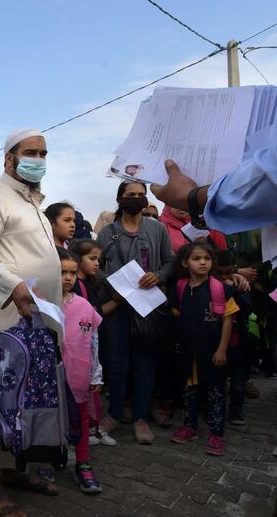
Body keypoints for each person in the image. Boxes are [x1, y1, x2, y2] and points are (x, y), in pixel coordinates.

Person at [0, 128, 61, 516]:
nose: (38, 158)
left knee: (21, 399)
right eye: (30, 152)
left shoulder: (33, 203)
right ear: (9, 159)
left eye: (43, 152)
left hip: (32, 320)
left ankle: (11, 469)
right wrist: (15, 286)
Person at [97, 181, 175, 445]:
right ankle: (114, 414)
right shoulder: (107, 233)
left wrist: (159, 275)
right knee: (117, 364)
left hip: (148, 308)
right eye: (131, 195)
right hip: (118, 307)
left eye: (141, 195)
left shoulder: (157, 228)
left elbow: (171, 260)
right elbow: (97, 267)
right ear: (120, 199)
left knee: (144, 364)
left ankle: (141, 417)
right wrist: (111, 287)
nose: (137, 199)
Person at [167, 242, 239, 456]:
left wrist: (222, 350)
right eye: (197, 259)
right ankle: (190, 426)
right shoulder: (180, 287)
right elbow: (176, 314)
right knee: (189, 390)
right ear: (185, 262)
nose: (202, 263)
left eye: (207, 259)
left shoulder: (221, 288)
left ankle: (217, 435)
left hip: (213, 351)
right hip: (189, 351)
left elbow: (228, 319)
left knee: (215, 392)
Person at [58, 248, 103, 494]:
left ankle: (83, 464)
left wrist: (96, 373)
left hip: (79, 375)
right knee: (51, 419)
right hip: (51, 378)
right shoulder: (41, 305)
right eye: (62, 272)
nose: (68, 277)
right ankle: (48, 461)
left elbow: (94, 342)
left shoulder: (85, 306)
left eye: (72, 273)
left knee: (82, 421)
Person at [69, 239, 118, 447]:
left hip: (93, 343)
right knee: (83, 391)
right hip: (80, 345)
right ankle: (82, 434)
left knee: (94, 389)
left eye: (99, 259)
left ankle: (94, 428)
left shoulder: (92, 282)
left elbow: (94, 314)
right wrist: (116, 302)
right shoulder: (76, 286)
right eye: (92, 258)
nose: (97, 263)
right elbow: (89, 315)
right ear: (78, 260)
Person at [215, 250, 254, 427]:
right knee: (218, 377)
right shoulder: (209, 286)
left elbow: (246, 309)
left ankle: (236, 410)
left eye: (228, 273)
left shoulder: (240, 286)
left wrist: (232, 289)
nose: (224, 277)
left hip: (239, 338)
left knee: (238, 379)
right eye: (219, 273)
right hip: (217, 339)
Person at [159, 206, 228, 253]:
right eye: (175, 204)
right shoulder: (159, 224)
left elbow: (221, 253)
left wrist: (205, 245)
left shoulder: (201, 224)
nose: (181, 207)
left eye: (183, 203)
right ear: (168, 204)